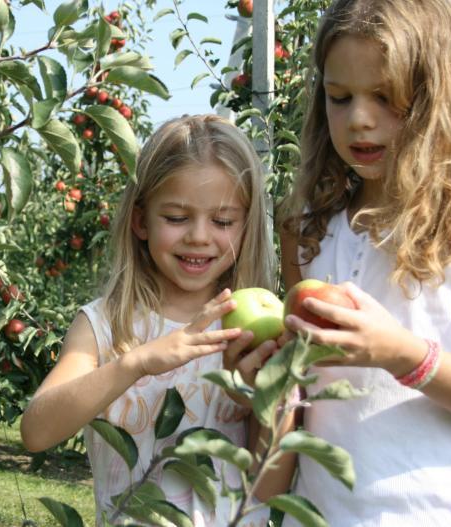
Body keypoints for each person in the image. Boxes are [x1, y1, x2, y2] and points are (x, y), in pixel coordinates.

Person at [278, 0, 451, 525]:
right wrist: (272, 372)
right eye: (338, 97)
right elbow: (299, 396)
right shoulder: (304, 229)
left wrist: (404, 355)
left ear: (437, 99)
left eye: (385, 97)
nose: (359, 119)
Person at [21, 114, 289, 526]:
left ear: (245, 225)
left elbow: (266, 489)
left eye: (222, 221)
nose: (199, 236)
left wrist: (261, 399)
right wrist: (137, 362)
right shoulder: (107, 324)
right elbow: (36, 432)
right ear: (141, 221)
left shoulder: (245, 329)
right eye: (177, 218)